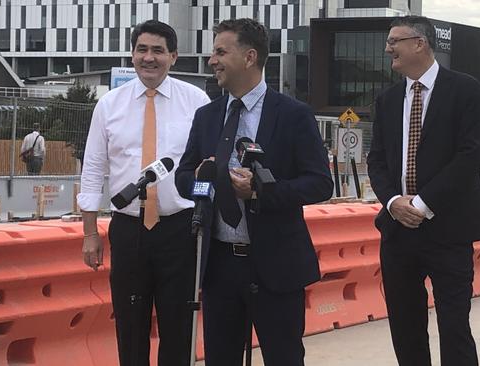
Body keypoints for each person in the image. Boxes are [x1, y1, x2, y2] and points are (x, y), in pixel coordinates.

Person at [175, 18, 333, 366]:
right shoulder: (206, 116)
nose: (211, 60)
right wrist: (210, 179)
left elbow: (321, 183)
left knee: (284, 358)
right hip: (220, 266)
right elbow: (184, 178)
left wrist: (260, 192)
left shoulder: (293, 115)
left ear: (249, 57)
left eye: (220, 52)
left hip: (275, 266)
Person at [78, 20, 210, 366]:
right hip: (129, 229)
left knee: (178, 327)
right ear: (132, 54)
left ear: (173, 57)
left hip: (179, 230)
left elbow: (208, 164)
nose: (148, 58)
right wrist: (90, 233)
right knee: (130, 324)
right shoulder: (109, 105)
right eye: (142, 49)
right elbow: (93, 169)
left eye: (157, 51)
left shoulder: (196, 101)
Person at [367, 16, 480, 366]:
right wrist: (393, 202)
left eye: (394, 41)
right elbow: (376, 161)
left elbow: (470, 156)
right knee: (405, 329)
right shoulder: (388, 100)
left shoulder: (465, 89)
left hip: (448, 231)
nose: (388, 48)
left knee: (454, 328)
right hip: (398, 232)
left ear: (419, 43)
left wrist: (421, 203)